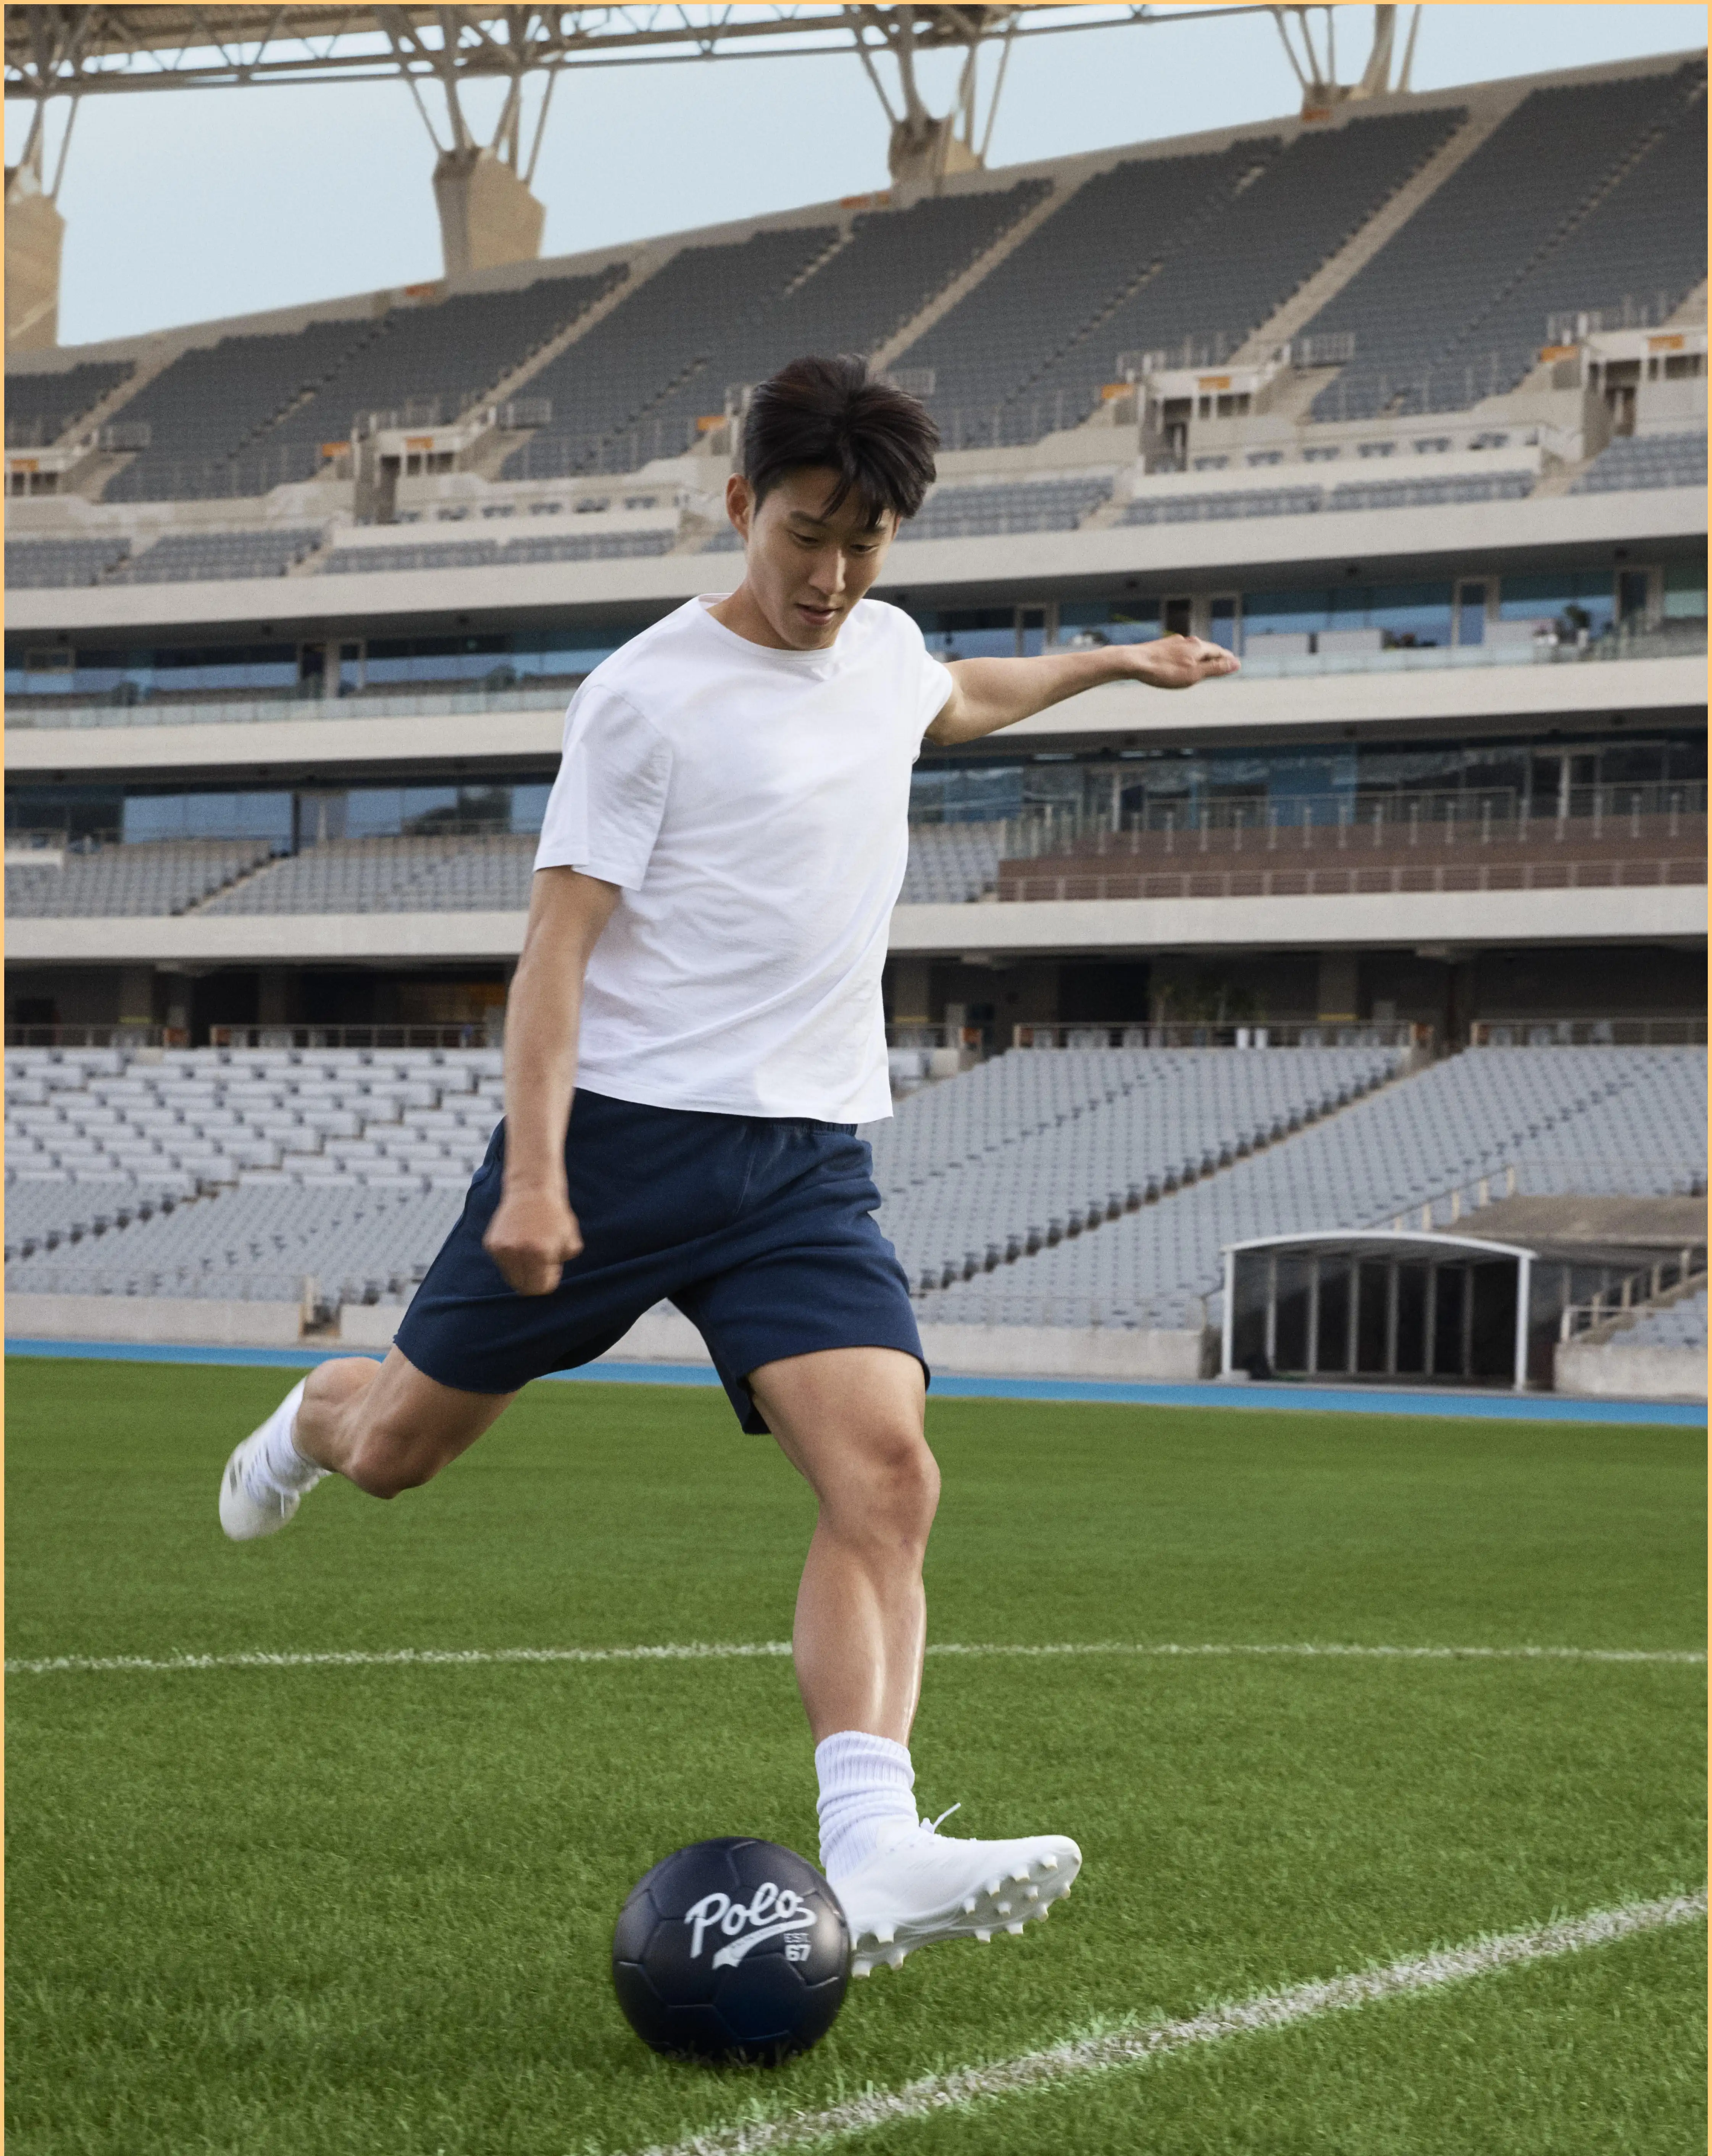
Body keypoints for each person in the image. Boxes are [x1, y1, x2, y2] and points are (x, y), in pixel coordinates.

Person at [219, 355, 1237, 1974]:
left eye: (864, 544)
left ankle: (872, 1844)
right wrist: (537, 1176)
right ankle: (309, 1417)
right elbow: (555, 953)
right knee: (400, 1450)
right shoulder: (645, 697)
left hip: (803, 1161)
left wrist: (1120, 660)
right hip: (618, 1145)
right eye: (803, 536)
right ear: (740, 505)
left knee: (888, 1476)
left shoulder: (883, 649)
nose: (830, 576)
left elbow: (963, 696)